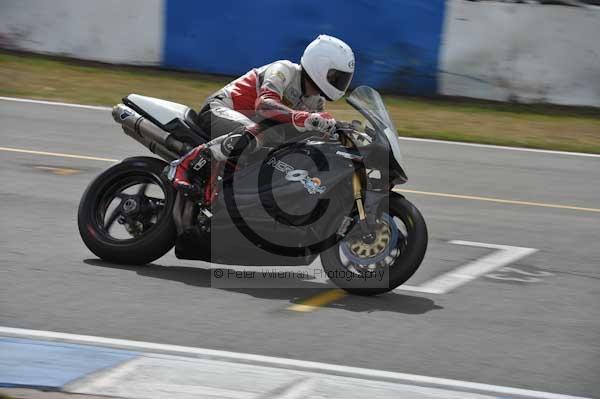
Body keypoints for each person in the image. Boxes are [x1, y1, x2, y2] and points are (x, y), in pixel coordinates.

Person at [166, 34, 355, 197]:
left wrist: (339, 128)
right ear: (320, 65)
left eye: (343, 79)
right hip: (220, 109)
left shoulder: (316, 101)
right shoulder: (284, 70)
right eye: (336, 77)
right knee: (255, 133)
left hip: (253, 130)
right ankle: (184, 165)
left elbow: (314, 130)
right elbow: (265, 106)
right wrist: (303, 118)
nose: (339, 83)